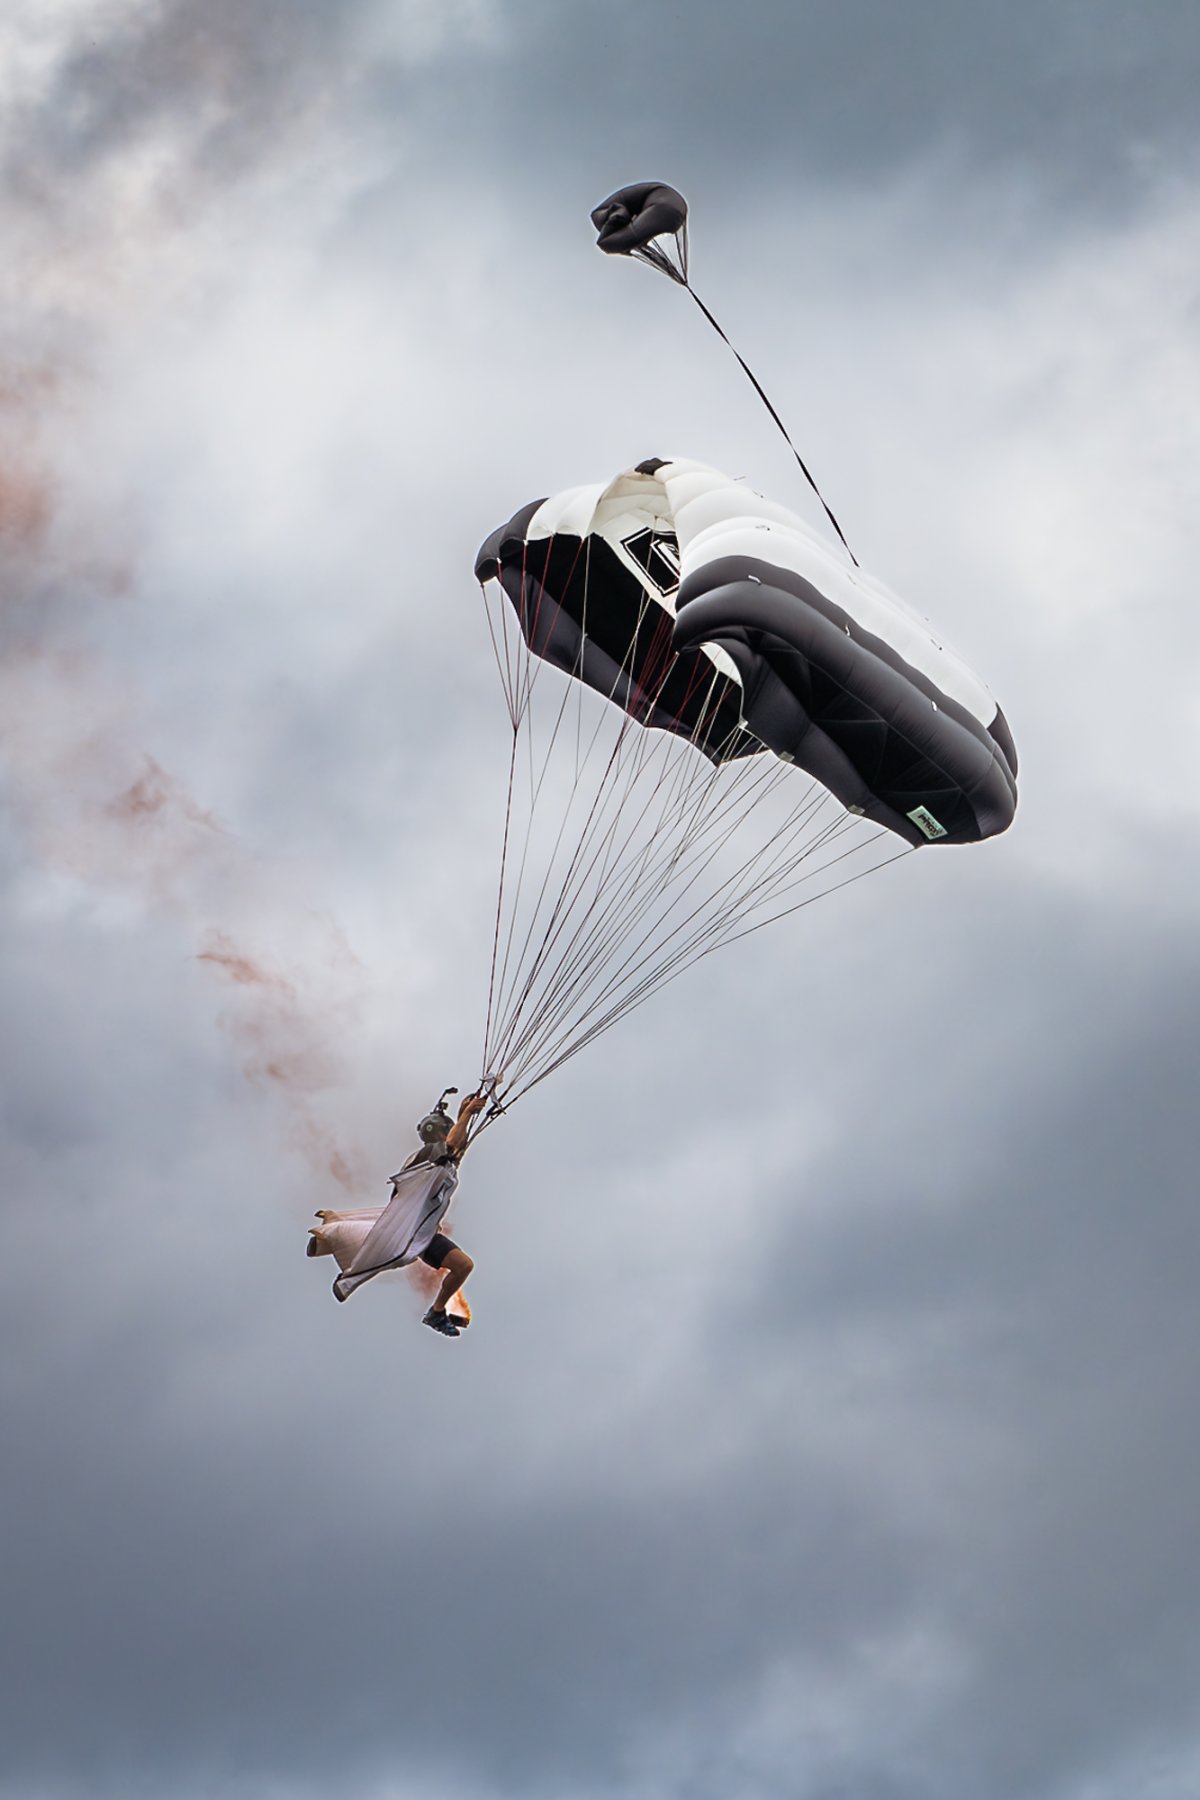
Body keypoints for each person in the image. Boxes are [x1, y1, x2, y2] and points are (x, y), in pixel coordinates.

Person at [308, 1086, 488, 1332]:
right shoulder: (426, 1155)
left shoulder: (440, 1160)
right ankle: (436, 1313)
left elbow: (457, 1150)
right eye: (448, 1128)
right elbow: (453, 1146)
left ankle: (437, 1312)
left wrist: (463, 1113)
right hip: (413, 1234)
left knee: (463, 1266)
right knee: (464, 1265)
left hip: (424, 1234)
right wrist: (466, 1115)